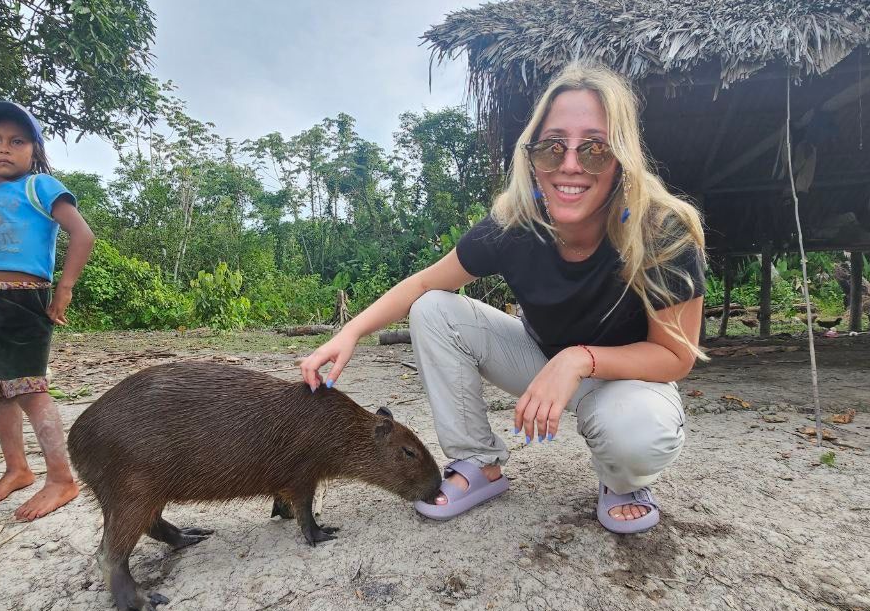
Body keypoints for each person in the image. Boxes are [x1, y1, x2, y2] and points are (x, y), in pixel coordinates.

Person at [300, 63, 705, 534]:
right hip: (537, 360)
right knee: (433, 307)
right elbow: (421, 284)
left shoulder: (662, 230)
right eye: (553, 147)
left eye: (594, 149)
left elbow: (676, 356)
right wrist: (349, 332)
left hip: (628, 380)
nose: (570, 165)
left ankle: (622, 482)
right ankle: (478, 461)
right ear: (532, 157)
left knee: (635, 431)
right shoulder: (514, 223)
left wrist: (578, 359)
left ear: (621, 158)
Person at [0, 101, 96, 521]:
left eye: (17, 141)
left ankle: (62, 479)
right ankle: (17, 470)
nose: (4, 149)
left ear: (34, 150)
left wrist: (64, 289)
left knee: (29, 389)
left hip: (21, 299)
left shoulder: (41, 187)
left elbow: (82, 235)